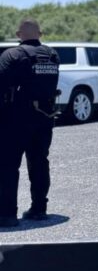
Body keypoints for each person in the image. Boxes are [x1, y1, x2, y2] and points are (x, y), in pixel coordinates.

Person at [0, 19, 60, 228]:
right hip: (44, 117)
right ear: (40, 34)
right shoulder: (52, 55)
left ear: (18, 35)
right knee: (39, 162)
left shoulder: (12, 55)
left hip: (15, 118)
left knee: (8, 166)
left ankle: (7, 214)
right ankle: (39, 209)